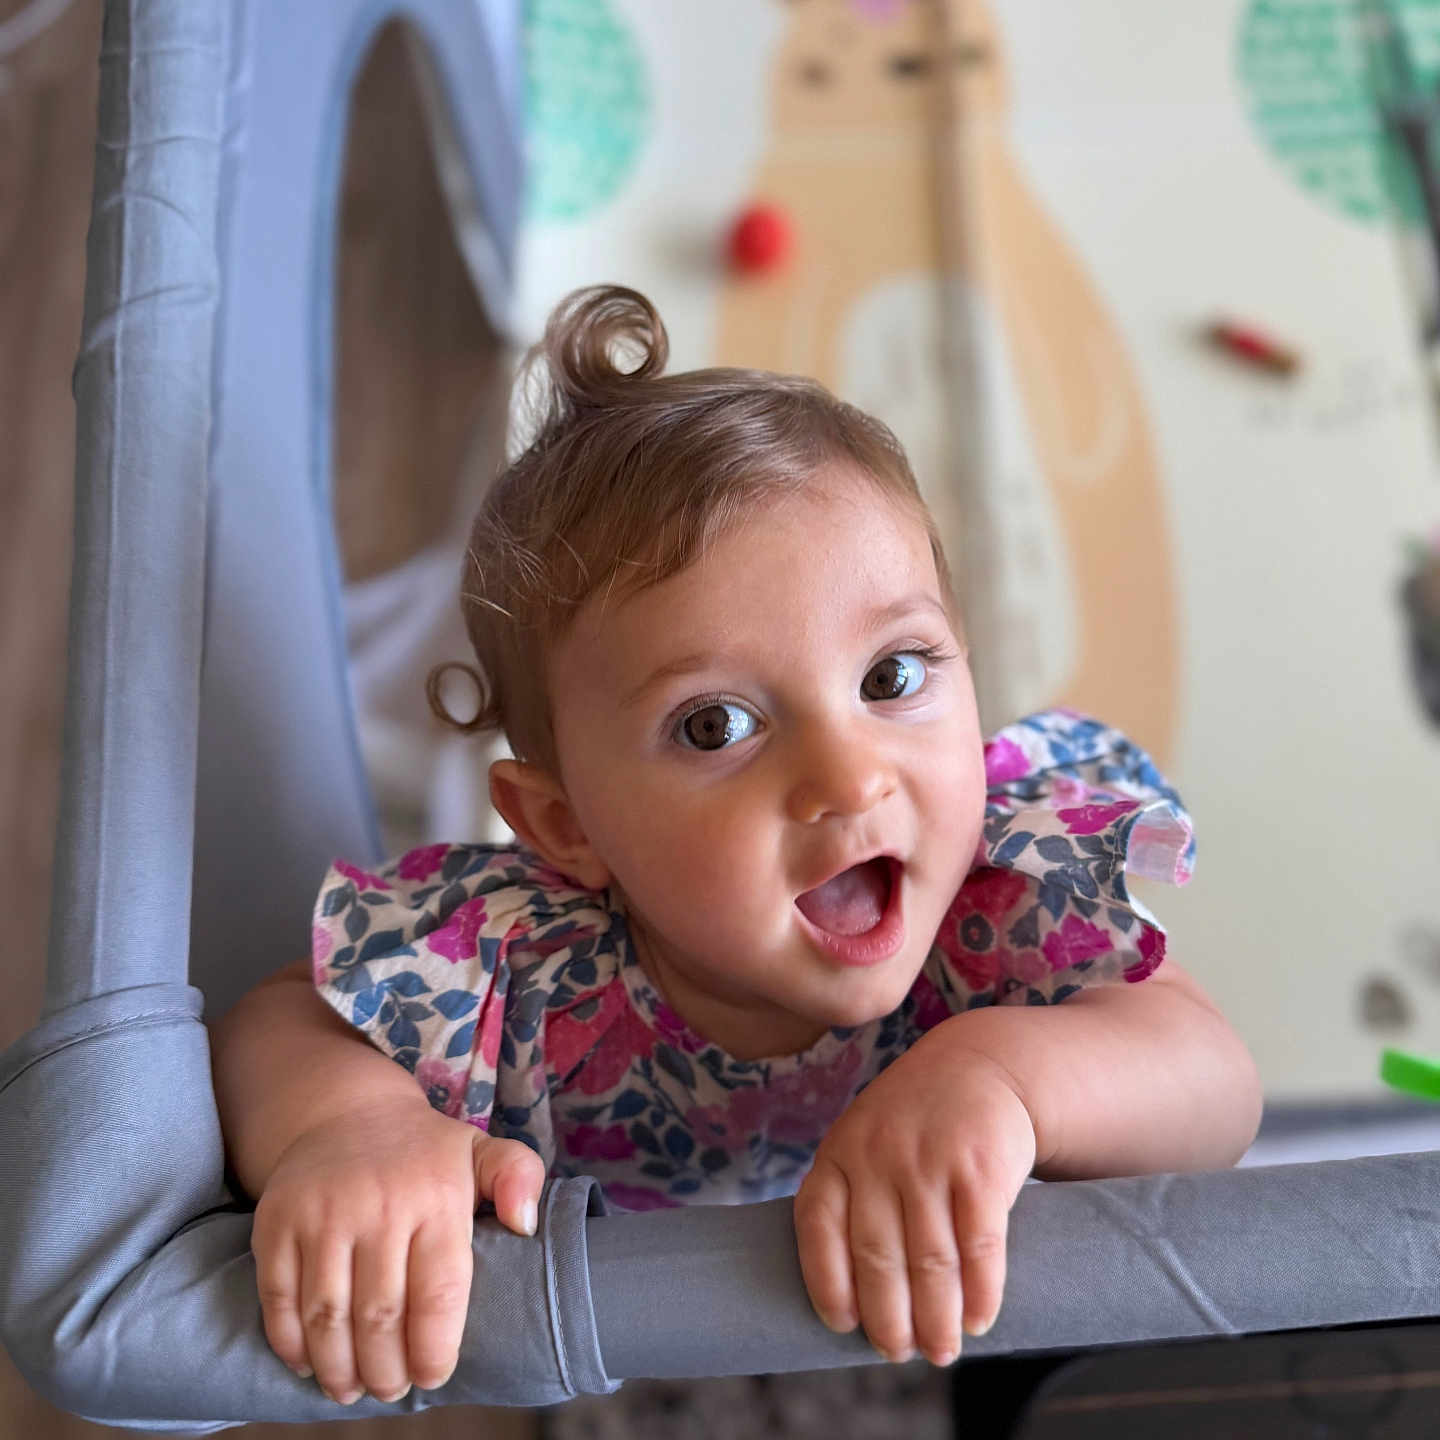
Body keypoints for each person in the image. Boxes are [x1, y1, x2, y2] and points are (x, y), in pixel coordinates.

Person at [209, 284, 1262, 1409]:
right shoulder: (525, 965)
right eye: (717, 725)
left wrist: (1003, 1077)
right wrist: (356, 1127)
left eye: (892, 677)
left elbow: (1215, 1088)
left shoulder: (999, 899)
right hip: (634, 1273)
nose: (850, 776)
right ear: (569, 827)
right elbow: (286, 1016)